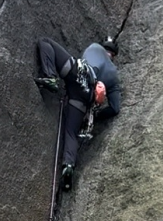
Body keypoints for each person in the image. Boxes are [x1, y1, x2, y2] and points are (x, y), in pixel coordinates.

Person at [35, 36, 121, 190]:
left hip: (77, 74)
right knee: (71, 133)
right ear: (113, 55)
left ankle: (50, 76)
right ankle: (68, 166)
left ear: (103, 46)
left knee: (45, 42)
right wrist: (96, 116)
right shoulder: (114, 75)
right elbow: (115, 108)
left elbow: (84, 62)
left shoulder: (94, 47)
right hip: (84, 98)